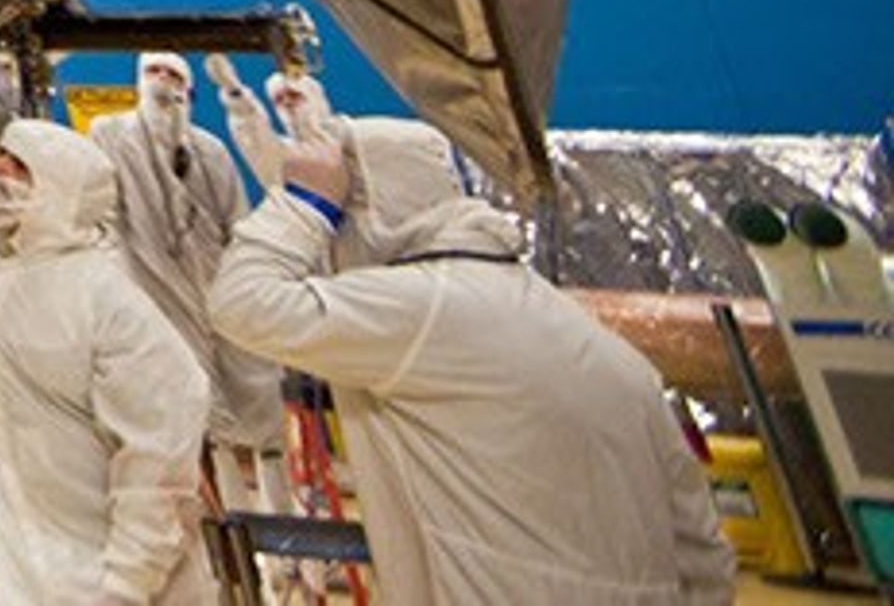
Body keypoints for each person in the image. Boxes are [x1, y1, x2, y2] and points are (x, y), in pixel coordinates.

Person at [202, 115, 736, 603]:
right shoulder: (584, 335)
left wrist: (304, 204)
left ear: (366, 213)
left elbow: (244, 302)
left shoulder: (423, 311)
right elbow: (702, 554)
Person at [0, 118, 216, 605]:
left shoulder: (103, 295)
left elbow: (158, 457)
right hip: (20, 559)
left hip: (115, 571)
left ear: (61, 191)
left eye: (19, 166)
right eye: (0, 154)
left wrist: (126, 583)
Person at [101, 54, 290, 481]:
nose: (163, 83)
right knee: (188, 417)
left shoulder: (209, 150)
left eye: (174, 76)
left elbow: (237, 221)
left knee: (256, 396)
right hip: (151, 291)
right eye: (154, 72)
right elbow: (105, 218)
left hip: (215, 289)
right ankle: (215, 517)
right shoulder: (111, 136)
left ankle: (276, 508)